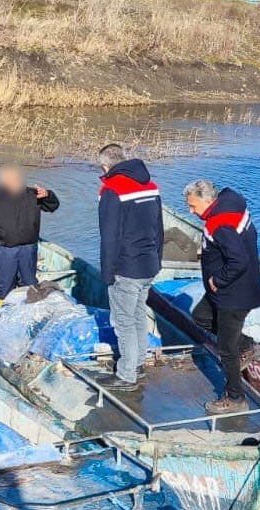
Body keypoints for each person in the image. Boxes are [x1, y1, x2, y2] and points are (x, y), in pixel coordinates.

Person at [183, 179, 260, 415]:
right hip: (229, 290)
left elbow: (239, 259)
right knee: (201, 316)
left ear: (208, 201)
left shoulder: (220, 224)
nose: (190, 211)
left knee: (226, 348)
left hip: (233, 294)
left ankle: (235, 397)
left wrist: (218, 280)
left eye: (193, 206)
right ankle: (247, 344)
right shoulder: (231, 204)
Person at [96, 144, 164, 392]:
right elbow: (159, 226)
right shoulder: (150, 185)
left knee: (123, 321)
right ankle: (136, 364)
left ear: (105, 166)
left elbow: (109, 235)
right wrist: (158, 259)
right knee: (137, 316)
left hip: (126, 266)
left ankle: (125, 376)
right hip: (149, 264)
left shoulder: (112, 190)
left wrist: (107, 272)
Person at [0, 166, 59, 304]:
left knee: (29, 284)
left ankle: (28, 315)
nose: (16, 183)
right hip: (4, 250)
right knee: (4, 286)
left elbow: (53, 206)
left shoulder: (34, 195)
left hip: (29, 249)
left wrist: (48, 195)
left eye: (18, 179)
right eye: (12, 180)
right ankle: (1, 314)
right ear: (3, 183)